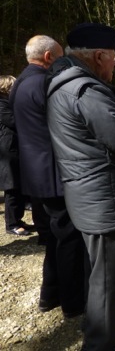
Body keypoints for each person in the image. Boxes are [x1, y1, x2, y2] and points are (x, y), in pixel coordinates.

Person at [46, 22, 115, 351]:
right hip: (101, 193)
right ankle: (100, 344)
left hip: (88, 191)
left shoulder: (64, 85)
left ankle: (105, 321)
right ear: (97, 56)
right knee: (109, 274)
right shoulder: (85, 90)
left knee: (98, 269)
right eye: (113, 56)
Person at [10, 35, 87, 318]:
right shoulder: (43, 83)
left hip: (37, 172)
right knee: (69, 239)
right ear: (48, 58)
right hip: (55, 172)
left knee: (55, 238)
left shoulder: (21, 82)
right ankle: (74, 302)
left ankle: (50, 294)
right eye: (59, 56)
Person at [0, 75, 28, 236]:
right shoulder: (2, 105)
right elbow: (14, 121)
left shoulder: (7, 104)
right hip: (8, 151)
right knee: (11, 188)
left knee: (17, 187)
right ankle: (11, 224)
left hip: (15, 149)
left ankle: (18, 219)